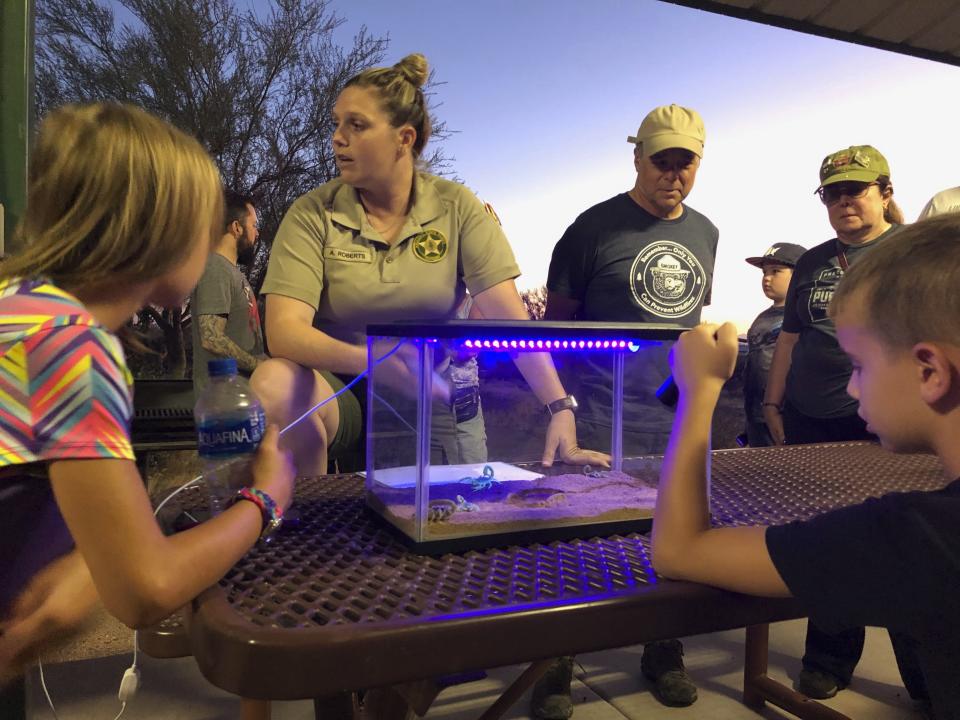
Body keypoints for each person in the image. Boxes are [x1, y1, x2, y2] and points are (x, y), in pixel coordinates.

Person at [0, 103, 295, 706]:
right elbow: (147, 588)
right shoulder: (71, 345)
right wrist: (267, 499)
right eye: (204, 222)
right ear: (157, 231)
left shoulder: (23, 308)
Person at [651, 214, 960, 719]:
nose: (853, 387)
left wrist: (698, 393)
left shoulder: (922, 536)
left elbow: (679, 551)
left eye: (858, 365)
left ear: (929, 371)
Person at [252, 53, 607, 478]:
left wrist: (560, 406)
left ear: (405, 137)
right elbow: (284, 332)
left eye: (357, 125)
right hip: (340, 383)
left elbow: (507, 318)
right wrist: (371, 360)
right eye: (336, 123)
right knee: (273, 384)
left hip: (433, 389)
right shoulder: (313, 213)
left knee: (463, 508)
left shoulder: (457, 208)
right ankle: (306, 519)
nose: (337, 138)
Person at [539, 104, 719, 713]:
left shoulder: (706, 233)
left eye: (684, 162)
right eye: (660, 160)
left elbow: (688, 330)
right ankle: (554, 669)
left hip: (672, 418)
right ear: (636, 157)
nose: (672, 174)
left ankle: (663, 655)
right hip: (593, 415)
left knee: (669, 544)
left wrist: (689, 400)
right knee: (571, 543)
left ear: (698, 162)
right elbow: (554, 327)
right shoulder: (591, 229)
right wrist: (558, 407)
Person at [761, 145, 922, 701]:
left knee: (906, 539)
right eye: (833, 191)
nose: (845, 200)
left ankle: (925, 676)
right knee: (829, 539)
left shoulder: (910, 251)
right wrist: (772, 404)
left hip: (887, 424)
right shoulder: (813, 261)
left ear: (884, 191)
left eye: (856, 189)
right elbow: (790, 336)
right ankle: (828, 659)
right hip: (811, 421)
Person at [191, 190, 266, 396]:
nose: (257, 233)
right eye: (253, 225)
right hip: (225, 406)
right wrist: (261, 366)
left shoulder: (232, 273)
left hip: (242, 399)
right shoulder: (215, 268)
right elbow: (211, 337)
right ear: (236, 228)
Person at [741, 242, 805, 447]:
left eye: (776, 271)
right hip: (755, 414)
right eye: (764, 272)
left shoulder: (802, 315)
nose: (767, 278)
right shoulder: (763, 317)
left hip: (784, 413)